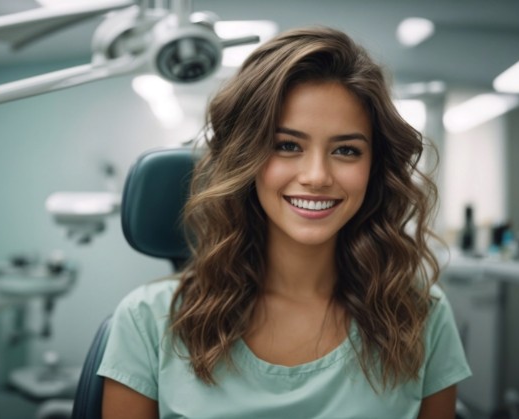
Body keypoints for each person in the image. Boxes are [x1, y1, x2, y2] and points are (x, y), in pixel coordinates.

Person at [98, 26, 471, 419]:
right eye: (287, 146)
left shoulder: (417, 314)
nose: (317, 175)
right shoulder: (149, 320)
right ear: (245, 158)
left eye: (346, 150)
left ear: (374, 167)